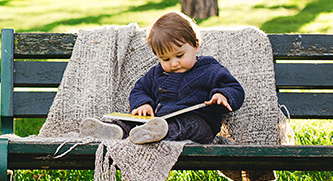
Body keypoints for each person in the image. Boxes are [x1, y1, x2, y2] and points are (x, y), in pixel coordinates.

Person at [81, 11, 245, 144]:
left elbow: (234, 88)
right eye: (165, 59)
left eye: (179, 55)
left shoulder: (210, 69)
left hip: (201, 123)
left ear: (196, 45)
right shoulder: (156, 74)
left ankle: (157, 134)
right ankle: (113, 130)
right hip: (160, 120)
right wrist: (143, 103)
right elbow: (139, 89)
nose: (173, 63)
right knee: (135, 121)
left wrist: (222, 95)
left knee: (187, 125)